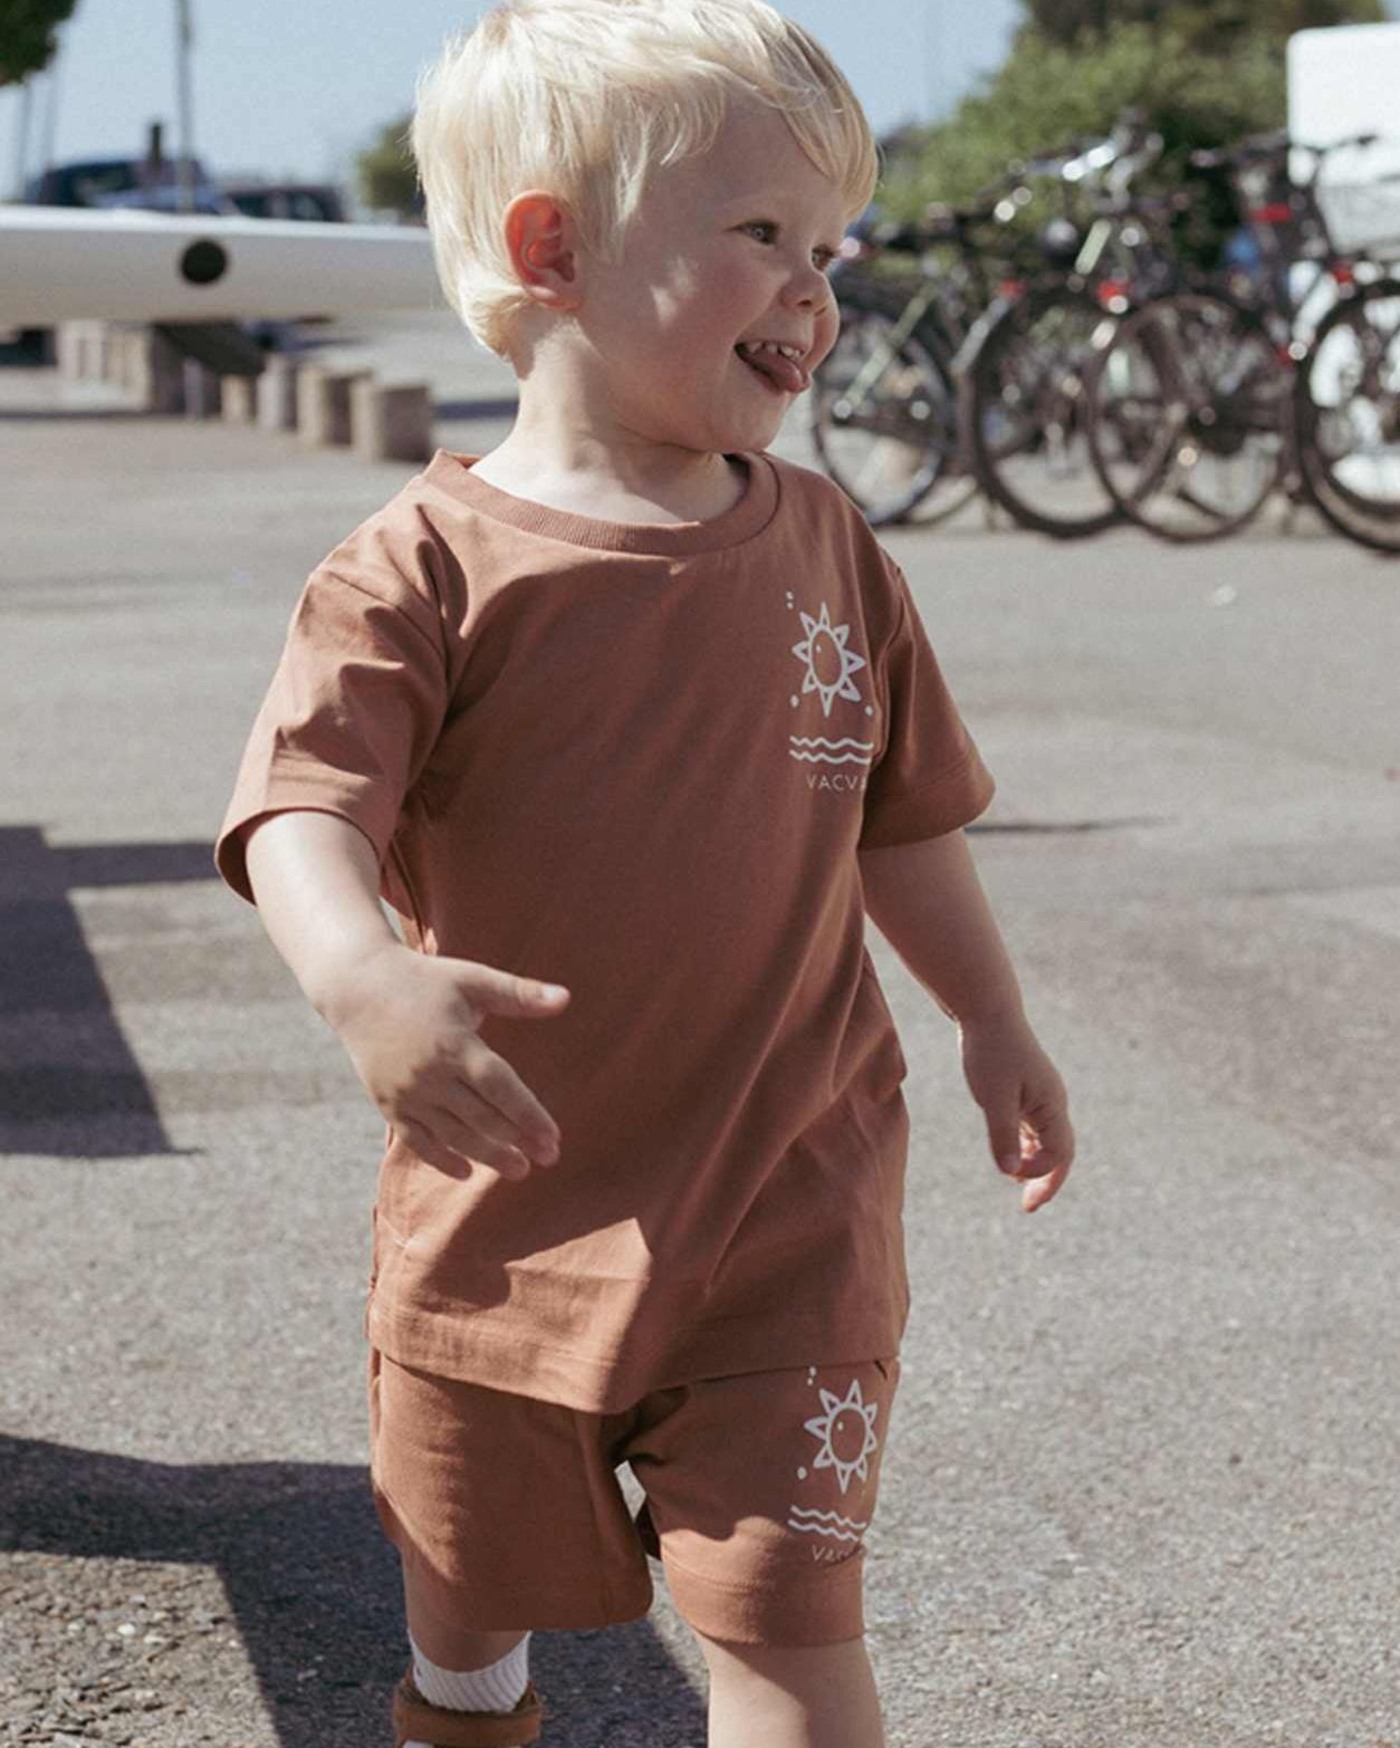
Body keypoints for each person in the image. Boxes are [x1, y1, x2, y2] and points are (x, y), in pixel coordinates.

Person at [213, 3, 1075, 1743]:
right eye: (764, 231)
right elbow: (304, 808)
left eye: (831, 247)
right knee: (471, 1594)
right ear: (554, 251)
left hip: (793, 1218)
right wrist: (361, 975)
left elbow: (902, 816)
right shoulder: (419, 569)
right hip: (509, 1235)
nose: (815, 290)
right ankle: (465, 1702)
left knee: (787, 1626)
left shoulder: (830, 546)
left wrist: (992, 1018)